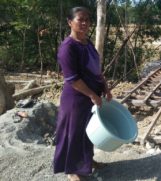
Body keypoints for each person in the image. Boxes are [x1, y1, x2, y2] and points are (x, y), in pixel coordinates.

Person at [53, 7, 112, 181]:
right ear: (70, 22)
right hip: (76, 98)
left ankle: (88, 161)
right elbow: (73, 79)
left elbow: (96, 70)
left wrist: (106, 88)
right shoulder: (67, 47)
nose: (85, 23)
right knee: (73, 133)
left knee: (88, 132)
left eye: (87, 19)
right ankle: (72, 170)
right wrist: (92, 95)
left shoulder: (87, 43)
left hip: (91, 96)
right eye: (81, 20)